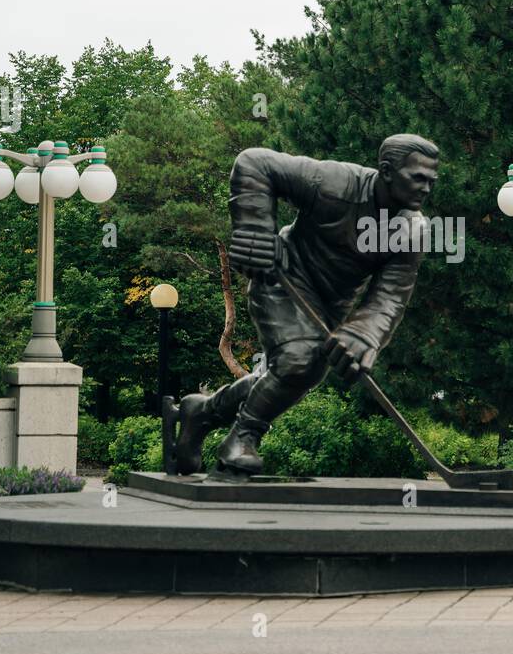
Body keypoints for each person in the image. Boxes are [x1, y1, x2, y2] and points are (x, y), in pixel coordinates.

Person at [166, 133, 440, 478]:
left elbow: (391, 294)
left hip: (333, 304)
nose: (426, 188)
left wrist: (365, 333)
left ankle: (202, 412)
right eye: (418, 177)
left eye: (432, 180)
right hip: (283, 275)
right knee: (300, 362)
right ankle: (241, 440)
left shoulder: (413, 229)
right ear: (386, 170)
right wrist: (255, 228)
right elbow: (254, 162)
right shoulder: (335, 182)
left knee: (292, 373)